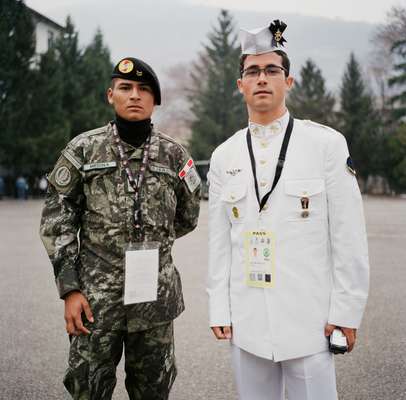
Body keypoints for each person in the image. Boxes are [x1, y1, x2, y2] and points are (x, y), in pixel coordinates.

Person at [207, 20, 369, 400]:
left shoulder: (324, 145)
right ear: (240, 84)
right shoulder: (224, 155)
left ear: (288, 81)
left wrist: (346, 312)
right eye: (252, 71)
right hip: (248, 321)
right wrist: (219, 307)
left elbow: (348, 235)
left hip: (309, 320)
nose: (262, 78)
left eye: (271, 70)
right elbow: (219, 241)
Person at [40, 57, 201, 400]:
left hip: (155, 302)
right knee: (88, 391)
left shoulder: (174, 156)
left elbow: (188, 215)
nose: (135, 95)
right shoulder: (82, 150)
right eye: (126, 88)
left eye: (144, 90)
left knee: (153, 392)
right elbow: (57, 221)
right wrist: (70, 289)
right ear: (110, 95)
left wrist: (152, 241)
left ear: (155, 101)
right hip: (95, 303)